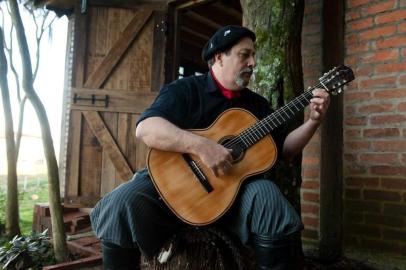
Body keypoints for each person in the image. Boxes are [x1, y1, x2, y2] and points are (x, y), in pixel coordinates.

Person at [90, 25, 330, 270]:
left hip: (233, 196)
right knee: (120, 202)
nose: (252, 62)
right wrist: (202, 146)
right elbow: (146, 128)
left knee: (270, 200)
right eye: (244, 55)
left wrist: (313, 121)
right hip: (171, 186)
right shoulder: (185, 90)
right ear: (219, 57)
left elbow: (285, 149)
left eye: (253, 55)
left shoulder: (257, 106)